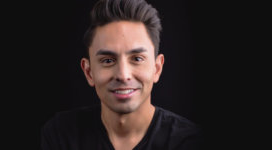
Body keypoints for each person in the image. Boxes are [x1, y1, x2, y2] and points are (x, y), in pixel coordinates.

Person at [41, 0, 203, 149]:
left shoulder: (189, 142)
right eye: (108, 61)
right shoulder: (60, 135)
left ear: (157, 68)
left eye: (137, 59)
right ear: (89, 72)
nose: (123, 75)